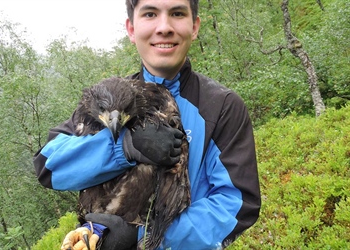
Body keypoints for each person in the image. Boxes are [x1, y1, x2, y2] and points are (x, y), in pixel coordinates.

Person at [33, 0, 261, 249]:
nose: (164, 27)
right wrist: (124, 148)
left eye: (177, 13)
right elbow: (48, 167)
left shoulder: (221, 106)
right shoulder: (107, 98)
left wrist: (145, 239)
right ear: (131, 29)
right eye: (150, 13)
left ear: (194, 27)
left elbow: (237, 204)